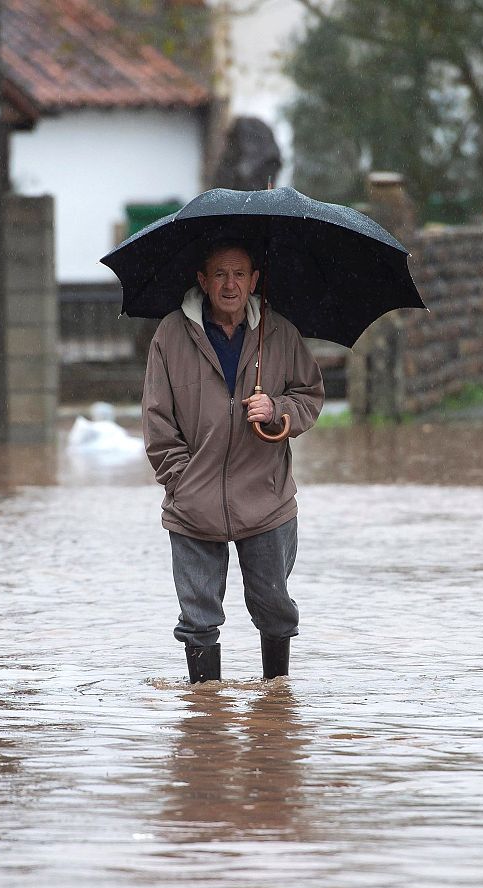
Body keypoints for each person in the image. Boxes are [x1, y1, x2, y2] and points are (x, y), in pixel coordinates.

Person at [142, 240, 325, 684]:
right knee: (198, 617)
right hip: (193, 503)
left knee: (275, 608)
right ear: (202, 282)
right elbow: (157, 420)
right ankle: (206, 718)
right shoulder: (170, 334)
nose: (230, 284)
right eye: (220, 275)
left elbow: (310, 396)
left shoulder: (279, 332)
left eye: (240, 274)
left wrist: (277, 408)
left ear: (254, 281)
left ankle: (276, 703)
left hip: (266, 498)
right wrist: (182, 482)